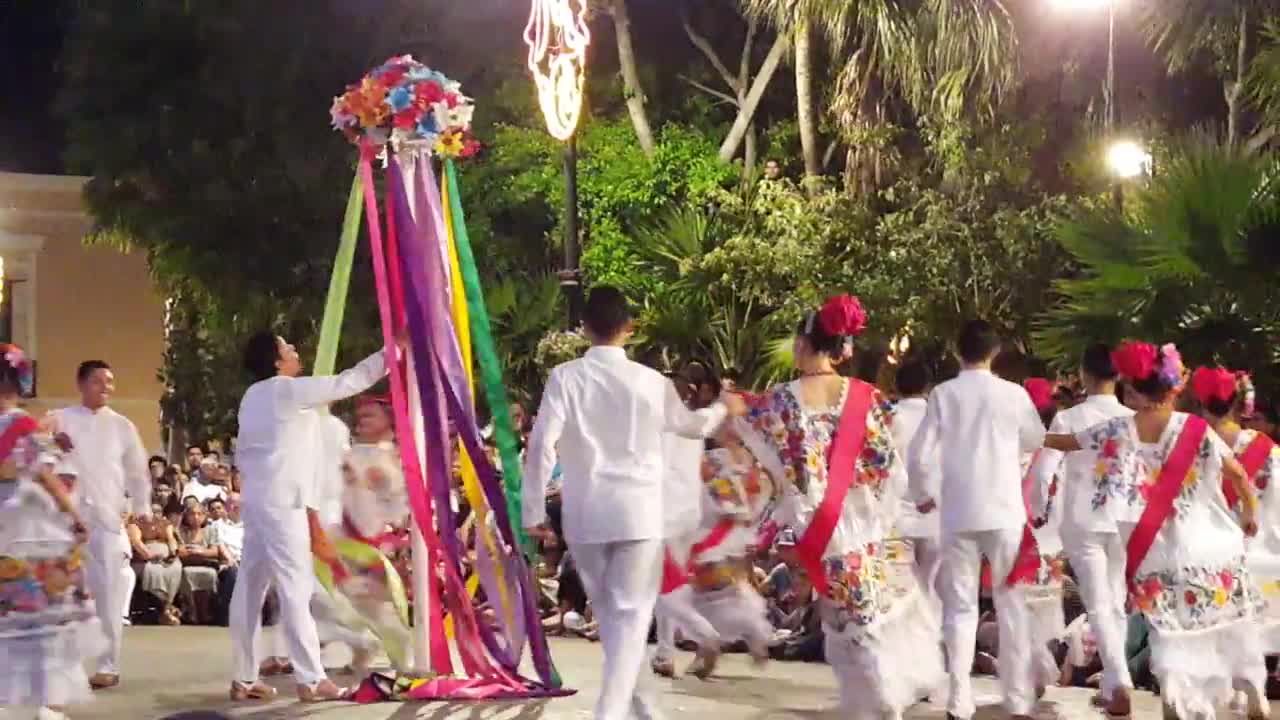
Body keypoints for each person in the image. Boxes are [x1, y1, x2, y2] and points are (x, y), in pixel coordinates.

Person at [523, 286, 743, 720]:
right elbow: (692, 426)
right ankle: (618, 711)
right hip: (639, 513)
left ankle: (636, 711)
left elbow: (541, 445)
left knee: (615, 622)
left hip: (586, 515)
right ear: (630, 328)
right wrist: (721, 409)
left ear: (584, 327)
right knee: (627, 621)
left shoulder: (565, 377)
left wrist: (533, 510)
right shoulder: (651, 382)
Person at [738, 295, 942, 720]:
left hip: (822, 528)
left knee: (853, 628)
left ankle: (882, 703)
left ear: (806, 343)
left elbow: (760, 439)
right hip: (867, 523)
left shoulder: (784, 400)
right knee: (865, 618)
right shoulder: (866, 396)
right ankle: (873, 703)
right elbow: (888, 467)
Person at [1044, 341, 1267, 720]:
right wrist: (1249, 513)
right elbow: (1240, 476)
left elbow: (1064, 443)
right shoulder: (1195, 428)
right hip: (1212, 544)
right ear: (1171, 387)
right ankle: (1251, 691)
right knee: (1229, 618)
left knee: (1169, 627)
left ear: (1132, 390)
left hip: (1157, 551)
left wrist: (1014, 435)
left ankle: (1177, 699)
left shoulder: (1117, 428)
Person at [227, 331, 394, 702]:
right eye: (287, 347)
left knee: (250, 588)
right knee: (295, 586)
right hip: (283, 501)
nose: (294, 351)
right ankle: (311, 678)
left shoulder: (252, 397)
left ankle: (243, 677)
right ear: (275, 361)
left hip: (257, 499)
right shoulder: (283, 390)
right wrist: (391, 350)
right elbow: (347, 382)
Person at [907, 320, 1043, 720]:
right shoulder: (1014, 394)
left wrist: (924, 495)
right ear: (995, 352)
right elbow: (1035, 439)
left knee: (960, 606)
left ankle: (959, 699)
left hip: (957, 510)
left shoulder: (943, 395)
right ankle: (1017, 699)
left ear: (956, 351)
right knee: (1011, 604)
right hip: (1004, 510)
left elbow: (918, 455)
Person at [1028, 344, 1135, 716]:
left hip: (1083, 521)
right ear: (1118, 376)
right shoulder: (1133, 419)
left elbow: (1044, 473)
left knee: (1098, 603)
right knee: (1116, 599)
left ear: (1084, 375)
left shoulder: (1068, 418)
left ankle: (1119, 678)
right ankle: (1111, 681)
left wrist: (1039, 512)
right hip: (1122, 519)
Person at [0, 345, 104, 720]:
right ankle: (45, 704)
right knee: (45, 619)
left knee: (8, 616)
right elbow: (45, 475)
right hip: (29, 530)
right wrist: (74, 514)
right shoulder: (22, 425)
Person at [54, 360, 152, 691]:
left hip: (108, 520)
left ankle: (109, 664)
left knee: (109, 595)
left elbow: (138, 470)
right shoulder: (62, 418)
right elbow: (35, 437)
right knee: (65, 595)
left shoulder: (122, 426)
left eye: (110, 381)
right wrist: (55, 438)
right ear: (81, 384)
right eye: (98, 381)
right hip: (68, 520)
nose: (106, 387)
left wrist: (142, 505)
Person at [1191, 367, 1280, 654]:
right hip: (1263, 555)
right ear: (1239, 403)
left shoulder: (1190, 448)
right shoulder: (1269, 451)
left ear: (1201, 403)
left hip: (1211, 560)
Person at [890, 358, 939, 603]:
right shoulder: (943, 419)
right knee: (932, 593)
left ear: (897, 387)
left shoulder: (887, 419)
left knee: (902, 596)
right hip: (935, 515)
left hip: (897, 515)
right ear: (928, 386)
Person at [126, 502, 183, 625]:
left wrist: (173, 553)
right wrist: (150, 555)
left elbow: (171, 539)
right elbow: (137, 542)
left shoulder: (165, 524)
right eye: (152, 511)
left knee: (176, 567)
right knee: (154, 570)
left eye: (158, 511)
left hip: (166, 557)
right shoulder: (136, 524)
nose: (155, 514)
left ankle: (167, 607)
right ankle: (165, 611)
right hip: (144, 559)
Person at [177, 504, 225, 624]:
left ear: (204, 516)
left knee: (210, 574)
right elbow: (180, 551)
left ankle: (205, 611)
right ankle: (192, 611)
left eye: (199, 514)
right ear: (186, 516)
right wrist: (193, 552)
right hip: (187, 565)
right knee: (186, 573)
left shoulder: (210, 530)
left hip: (206, 564)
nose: (196, 517)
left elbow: (215, 551)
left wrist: (199, 551)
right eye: (192, 514)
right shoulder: (181, 531)